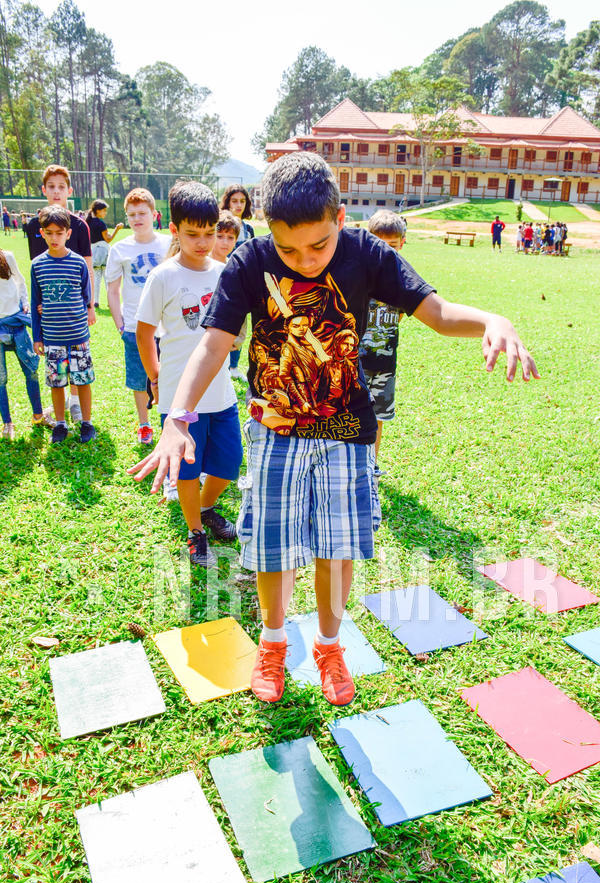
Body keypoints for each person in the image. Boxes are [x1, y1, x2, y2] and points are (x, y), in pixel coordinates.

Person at [129, 151, 539, 708]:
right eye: (288, 248)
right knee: (273, 546)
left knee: (335, 546)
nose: (303, 261)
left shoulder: (367, 254)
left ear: (340, 219)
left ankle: (328, 646)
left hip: (348, 428)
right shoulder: (249, 261)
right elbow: (214, 343)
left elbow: (438, 315)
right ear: (267, 227)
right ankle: (273, 643)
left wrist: (495, 319)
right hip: (275, 426)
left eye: (318, 246)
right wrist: (177, 416)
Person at [136, 181, 242, 566]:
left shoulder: (225, 272)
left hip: (222, 392)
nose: (202, 242)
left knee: (229, 463)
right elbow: (144, 331)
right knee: (186, 468)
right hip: (180, 396)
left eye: (209, 233)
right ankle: (195, 530)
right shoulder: (164, 276)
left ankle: (205, 506)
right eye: (192, 234)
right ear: (175, 229)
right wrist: (154, 373)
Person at [26, 165, 95, 425]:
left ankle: (78, 408)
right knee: (57, 376)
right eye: (51, 187)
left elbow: (85, 269)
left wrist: (89, 306)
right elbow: (37, 278)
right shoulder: (35, 226)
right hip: (52, 320)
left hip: (74, 318)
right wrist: (44, 310)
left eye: (61, 187)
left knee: (81, 373)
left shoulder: (79, 226)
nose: (56, 191)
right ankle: (60, 418)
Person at [105, 188, 171, 444]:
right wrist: (120, 325)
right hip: (134, 326)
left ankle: (169, 422)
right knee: (138, 378)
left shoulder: (168, 243)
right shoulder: (119, 249)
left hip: (167, 326)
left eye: (142, 213)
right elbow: (112, 289)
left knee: (169, 375)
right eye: (131, 214)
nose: (137, 218)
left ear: (154, 214)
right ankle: (144, 425)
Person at [359, 211, 407, 465]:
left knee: (379, 418)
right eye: (379, 244)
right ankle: (353, 463)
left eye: (392, 246)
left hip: (386, 366)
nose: (385, 252)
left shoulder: (402, 279)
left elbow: (399, 317)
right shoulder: (358, 277)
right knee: (353, 415)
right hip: (355, 363)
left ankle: (372, 465)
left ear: (402, 243)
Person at [0, 246, 54, 438]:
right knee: (1, 378)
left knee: (31, 371)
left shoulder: (7, 256)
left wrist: (24, 303)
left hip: (16, 322)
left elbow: (21, 283)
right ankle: (7, 423)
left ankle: (38, 415)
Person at [220, 184, 254, 380]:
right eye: (234, 201)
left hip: (243, 283)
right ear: (227, 202)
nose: (238, 205)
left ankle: (233, 367)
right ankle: (220, 364)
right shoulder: (220, 224)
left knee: (240, 326)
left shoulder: (248, 229)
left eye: (242, 201)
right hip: (224, 280)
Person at [86, 200, 123, 308]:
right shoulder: (100, 224)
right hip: (103, 251)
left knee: (96, 277)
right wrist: (117, 229)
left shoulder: (88, 222)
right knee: (107, 277)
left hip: (93, 251)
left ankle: (96, 301)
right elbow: (108, 239)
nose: (105, 213)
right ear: (98, 211)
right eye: (104, 211)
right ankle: (109, 301)